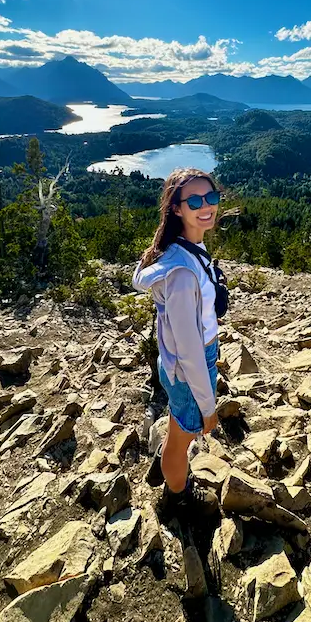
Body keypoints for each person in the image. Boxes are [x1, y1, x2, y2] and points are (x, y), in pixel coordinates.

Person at [133, 167, 224, 516]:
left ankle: (167, 462)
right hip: (190, 367)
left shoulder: (178, 249)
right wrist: (208, 406)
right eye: (196, 200)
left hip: (177, 363)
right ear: (176, 208)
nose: (207, 206)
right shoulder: (183, 272)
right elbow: (189, 348)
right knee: (182, 437)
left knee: (177, 425)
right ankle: (178, 496)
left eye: (212, 197)